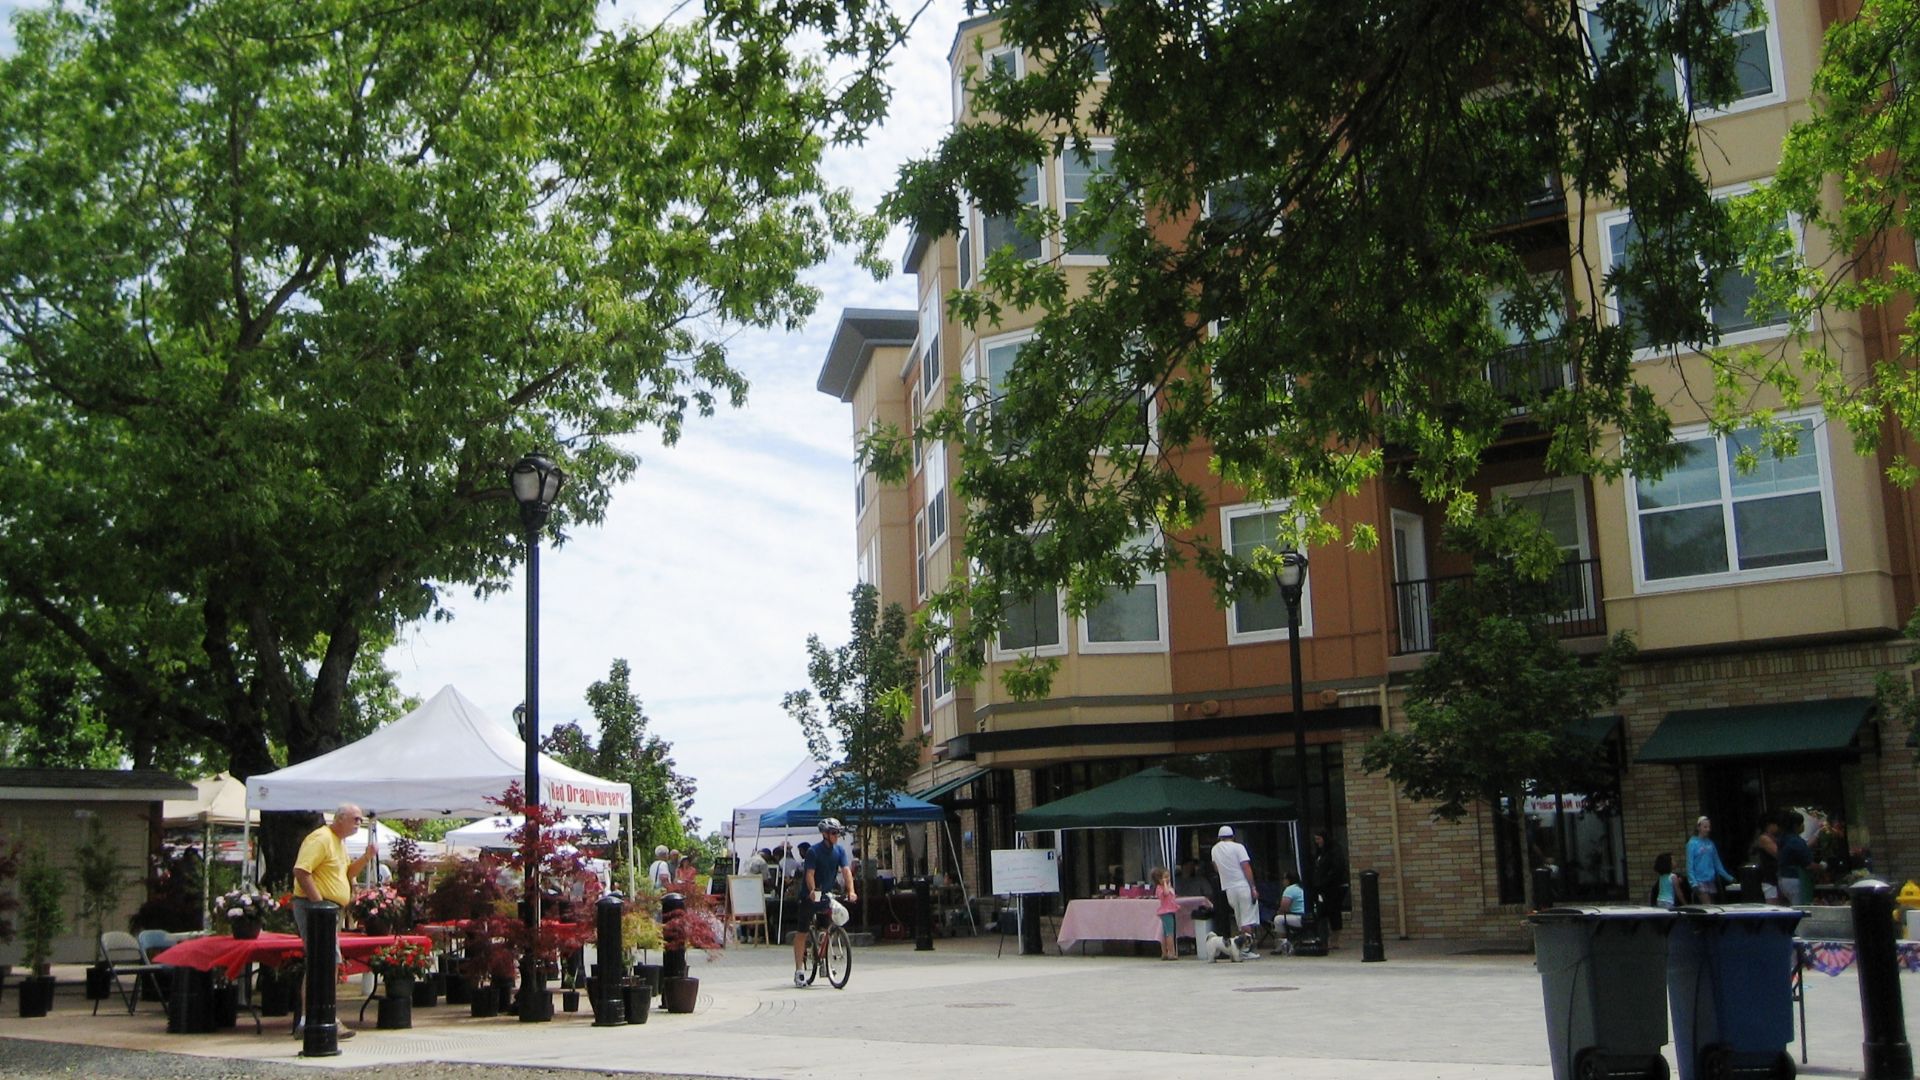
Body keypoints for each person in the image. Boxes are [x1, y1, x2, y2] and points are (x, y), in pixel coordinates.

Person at [291, 803, 375, 1039]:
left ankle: (322, 1017)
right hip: (315, 909)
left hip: (329, 911)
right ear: (340, 819)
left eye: (360, 819)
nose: (359, 823)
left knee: (327, 962)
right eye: (355, 819)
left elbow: (347, 873)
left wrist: (366, 858)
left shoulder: (338, 842)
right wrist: (319, 906)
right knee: (321, 962)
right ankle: (313, 1020)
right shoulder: (320, 839)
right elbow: (301, 871)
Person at [794, 818, 857, 987]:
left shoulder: (840, 851)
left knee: (829, 925)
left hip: (827, 895)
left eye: (838, 833)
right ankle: (799, 971)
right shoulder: (813, 852)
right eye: (834, 833)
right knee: (802, 931)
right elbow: (809, 874)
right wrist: (813, 891)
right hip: (810, 896)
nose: (837, 836)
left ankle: (825, 960)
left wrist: (851, 891)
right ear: (825, 834)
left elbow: (846, 872)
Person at [1211, 825, 1259, 961]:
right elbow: (1246, 867)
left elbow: (1216, 867)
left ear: (1219, 837)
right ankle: (1246, 949)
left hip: (1228, 888)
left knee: (1239, 918)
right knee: (1247, 919)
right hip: (1242, 885)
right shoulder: (1239, 847)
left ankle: (1240, 948)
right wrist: (1253, 887)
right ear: (1233, 836)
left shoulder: (1214, 849)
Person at [1312, 829, 1349, 950]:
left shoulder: (1334, 851)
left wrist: (1326, 880)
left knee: (1334, 911)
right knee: (1323, 911)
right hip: (1323, 887)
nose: (1317, 842)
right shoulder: (1320, 852)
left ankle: (1335, 940)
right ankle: (1325, 938)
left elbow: (1337, 869)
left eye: (1318, 839)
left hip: (1335, 886)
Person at [1686, 816, 1734, 901]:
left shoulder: (1710, 843)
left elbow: (1717, 863)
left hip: (1710, 879)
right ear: (1698, 827)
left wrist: (1729, 878)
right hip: (1699, 880)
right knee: (1708, 905)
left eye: (1709, 827)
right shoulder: (1692, 843)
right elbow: (1690, 865)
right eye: (1705, 827)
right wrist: (1693, 883)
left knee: (1712, 905)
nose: (1708, 829)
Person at [1778, 812, 1814, 906]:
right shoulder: (1796, 841)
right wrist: (1822, 866)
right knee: (1800, 907)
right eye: (1802, 823)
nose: (1803, 825)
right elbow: (1808, 864)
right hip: (1795, 879)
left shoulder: (1783, 839)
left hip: (1784, 879)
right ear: (1796, 825)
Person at [1749, 818, 1782, 903]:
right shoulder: (1764, 838)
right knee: (1773, 905)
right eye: (1776, 824)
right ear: (1769, 825)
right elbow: (1777, 854)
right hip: (1769, 877)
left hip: (1777, 877)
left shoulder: (1776, 837)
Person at [1151, 867, 1179, 961]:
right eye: (1165, 877)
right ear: (1159, 880)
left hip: (1168, 911)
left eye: (1168, 876)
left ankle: (1164, 953)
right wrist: (1166, 884)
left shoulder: (1163, 887)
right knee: (1169, 933)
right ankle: (1171, 952)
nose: (1168, 879)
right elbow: (1166, 893)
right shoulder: (1160, 888)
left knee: (1165, 933)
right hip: (1166, 912)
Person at [1275, 870, 1306, 951]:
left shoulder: (1289, 889)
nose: (1283, 881)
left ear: (1288, 880)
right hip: (1308, 917)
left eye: (1284, 879)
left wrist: (1278, 912)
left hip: (1299, 918)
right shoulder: (1302, 887)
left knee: (1278, 919)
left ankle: (1282, 944)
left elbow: (1284, 908)